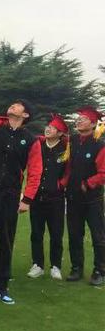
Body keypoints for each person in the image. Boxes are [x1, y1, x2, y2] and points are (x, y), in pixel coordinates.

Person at [0, 61, 42, 304]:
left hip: (10, 195)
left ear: (25, 115)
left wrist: (27, 198)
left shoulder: (31, 140)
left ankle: (2, 287)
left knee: (6, 242)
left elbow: (35, 171)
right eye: (12, 104)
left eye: (17, 105)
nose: (12, 106)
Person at [61, 106, 105, 286]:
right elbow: (68, 167)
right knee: (74, 234)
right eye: (78, 118)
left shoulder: (99, 145)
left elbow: (103, 173)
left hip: (93, 199)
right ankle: (76, 268)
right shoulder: (72, 142)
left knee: (98, 235)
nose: (79, 121)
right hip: (73, 197)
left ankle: (99, 270)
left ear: (93, 124)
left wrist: (88, 183)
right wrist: (64, 183)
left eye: (84, 119)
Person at [27, 114, 68, 281]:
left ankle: (55, 266)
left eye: (53, 128)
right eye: (48, 126)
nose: (48, 129)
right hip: (37, 197)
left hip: (56, 198)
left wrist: (60, 184)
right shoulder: (38, 145)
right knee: (36, 232)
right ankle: (37, 264)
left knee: (56, 234)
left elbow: (69, 171)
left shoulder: (65, 149)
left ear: (60, 133)